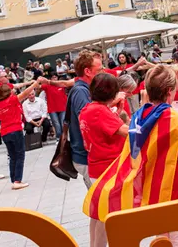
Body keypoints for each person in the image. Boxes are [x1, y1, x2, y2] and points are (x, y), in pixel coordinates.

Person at [83, 65, 178, 247]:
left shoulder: (140, 115)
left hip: (153, 188)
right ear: (169, 91)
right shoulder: (173, 118)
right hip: (175, 188)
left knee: (163, 236)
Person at [79, 73, 131, 247]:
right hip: (108, 168)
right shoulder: (100, 111)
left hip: (96, 165)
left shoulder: (88, 109)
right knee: (106, 215)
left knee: (97, 214)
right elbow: (126, 132)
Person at [0, 80, 39, 190]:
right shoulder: (12, 100)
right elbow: (25, 93)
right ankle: (17, 181)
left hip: (5, 133)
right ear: (7, 92)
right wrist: (35, 84)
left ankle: (14, 179)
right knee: (20, 155)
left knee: (12, 157)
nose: (12, 91)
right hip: (16, 130)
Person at [68, 50, 104, 188]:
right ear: (88, 71)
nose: (102, 73)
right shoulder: (81, 91)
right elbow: (87, 121)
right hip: (86, 156)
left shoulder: (83, 89)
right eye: (99, 70)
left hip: (86, 155)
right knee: (98, 197)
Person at [38, 74, 68, 139]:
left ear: (57, 78)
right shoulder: (47, 85)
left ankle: (64, 139)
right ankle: (58, 139)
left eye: (55, 77)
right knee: (56, 125)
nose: (54, 78)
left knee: (63, 124)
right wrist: (39, 80)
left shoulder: (61, 84)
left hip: (63, 108)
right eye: (53, 77)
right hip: (52, 109)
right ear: (50, 79)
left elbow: (69, 84)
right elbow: (38, 87)